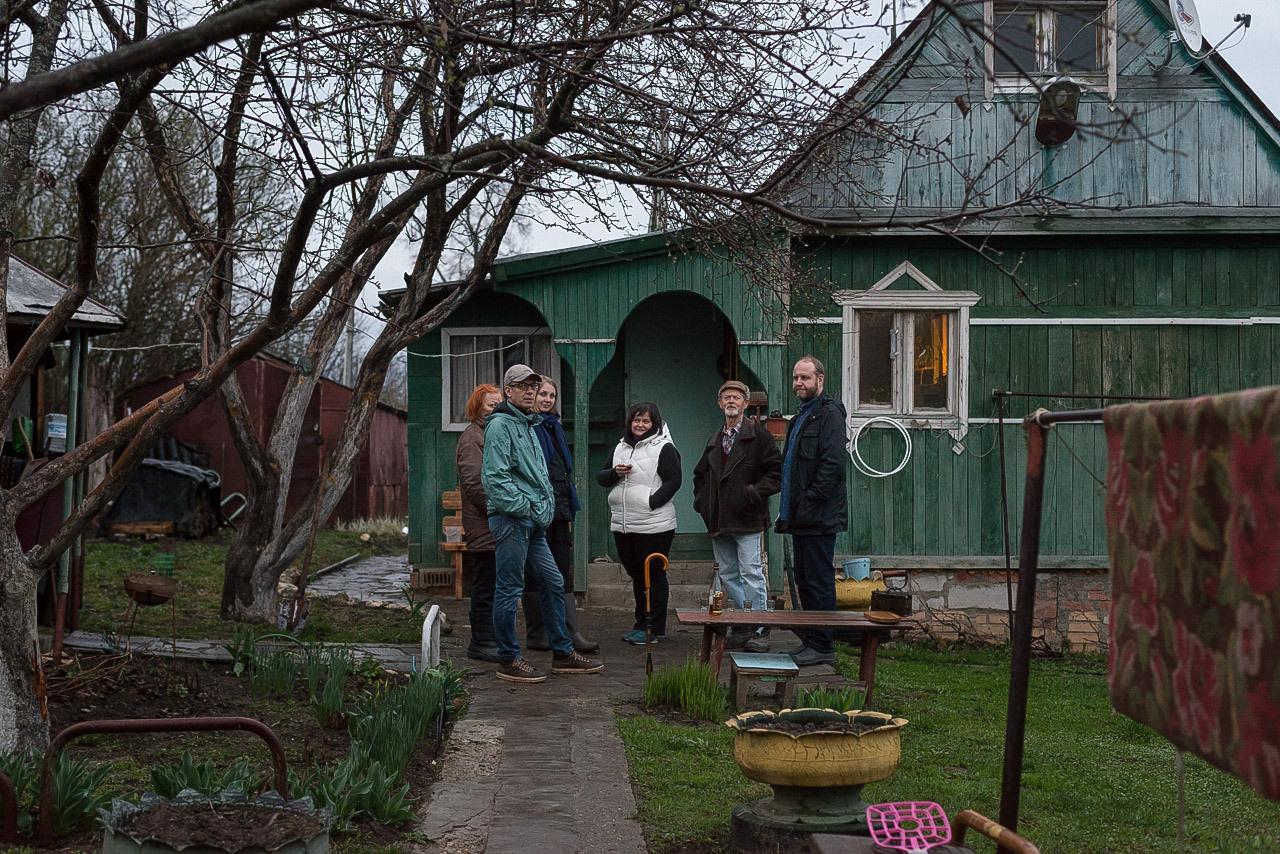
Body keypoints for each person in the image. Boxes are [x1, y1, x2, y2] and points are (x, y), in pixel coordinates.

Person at [482, 364, 605, 683]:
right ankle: (508, 659)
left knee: (553, 582)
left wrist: (542, 510)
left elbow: (538, 475)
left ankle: (562, 653)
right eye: (523, 386)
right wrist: (522, 508)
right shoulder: (501, 426)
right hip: (512, 519)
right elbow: (495, 478)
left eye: (533, 387)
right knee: (509, 588)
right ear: (508, 391)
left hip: (534, 521)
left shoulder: (528, 424)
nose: (530, 392)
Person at [693, 380, 782, 653]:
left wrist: (752, 494)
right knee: (729, 574)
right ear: (720, 404)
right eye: (726, 397)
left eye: (737, 397)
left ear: (745, 404)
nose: (731, 401)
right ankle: (742, 624)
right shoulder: (714, 440)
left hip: (747, 518)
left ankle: (760, 627)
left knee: (752, 573)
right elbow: (700, 477)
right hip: (719, 520)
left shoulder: (760, 437)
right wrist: (702, 503)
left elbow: (777, 473)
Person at [775, 356, 847, 667]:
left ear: (820, 380)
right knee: (804, 579)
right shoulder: (802, 417)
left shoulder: (828, 413)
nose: (799, 383)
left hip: (818, 516)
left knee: (818, 580)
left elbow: (832, 466)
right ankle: (811, 640)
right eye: (796, 378)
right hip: (800, 516)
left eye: (805, 378)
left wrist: (808, 501)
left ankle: (822, 644)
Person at [522, 378, 598, 653]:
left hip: (559, 507)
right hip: (537, 508)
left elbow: (561, 471)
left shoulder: (554, 426)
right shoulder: (528, 426)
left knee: (562, 570)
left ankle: (570, 632)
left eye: (552, 395)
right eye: (543, 394)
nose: (547, 399)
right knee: (534, 573)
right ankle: (537, 634)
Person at [597, 402, 681, 644]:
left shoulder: (664, 448)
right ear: (630, 422)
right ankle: (640, 625)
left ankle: (653, 629)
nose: (640, 425)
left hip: (654, 524)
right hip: (624, 523)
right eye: (636, 420)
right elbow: (602, 477)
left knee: (653, 575)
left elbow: (674, 480)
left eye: (646, 421)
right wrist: (616, 473)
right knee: (636, 576)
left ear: (654, 423)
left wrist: (651, 503)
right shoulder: (620, 447)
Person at [455, 383, 504, 662]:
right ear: (477, 408)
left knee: (496, 584)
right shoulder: (473, 438)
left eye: (499, 403)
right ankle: (481, 641)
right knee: (486, 585)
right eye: (490, 404)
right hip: (485, 527)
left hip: (497, 526)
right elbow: (475, 485)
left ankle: (492, 638)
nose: (496, 408)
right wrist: (503, 509)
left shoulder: (492, 434)